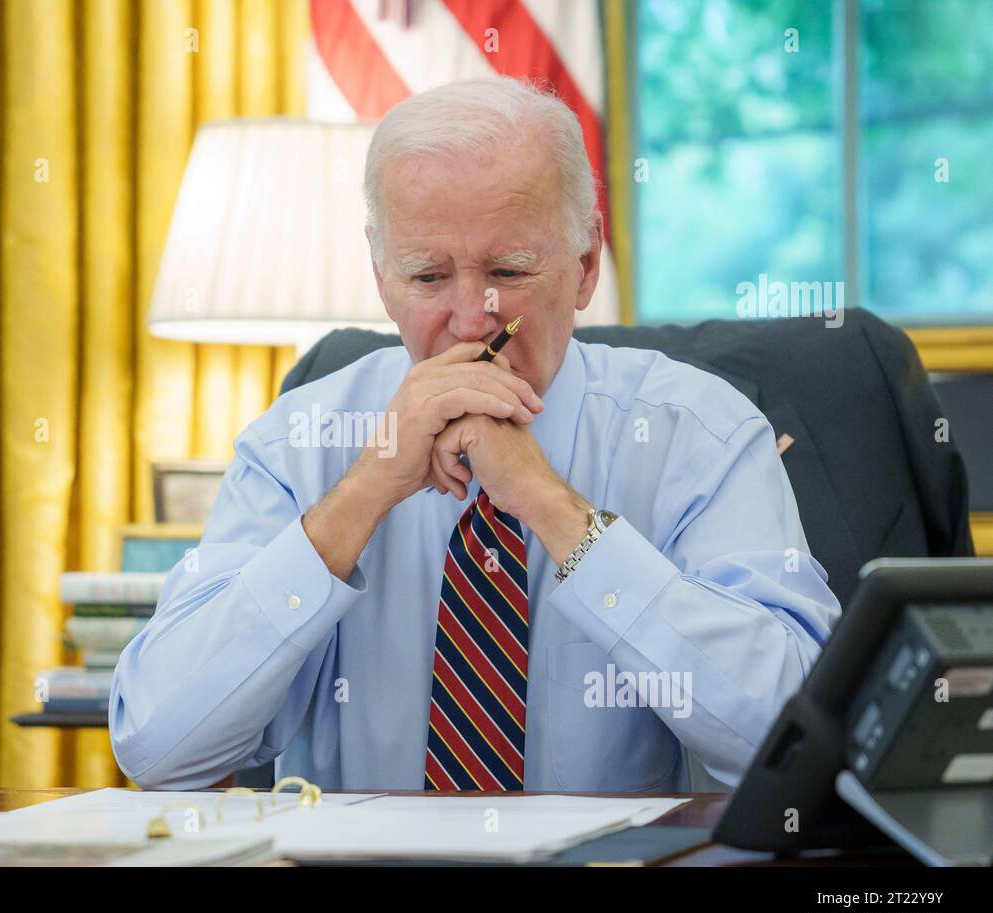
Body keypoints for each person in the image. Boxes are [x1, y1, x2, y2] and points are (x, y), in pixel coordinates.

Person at [110, 75, 840, 792]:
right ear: (380, 276)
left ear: (585, 267)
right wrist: (361, 496)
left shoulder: (700, 437)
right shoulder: (297, 443)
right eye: (428, 276)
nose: (470, 320)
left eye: (508, 270)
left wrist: (554, 509)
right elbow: (159, 746)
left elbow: (797, 745)